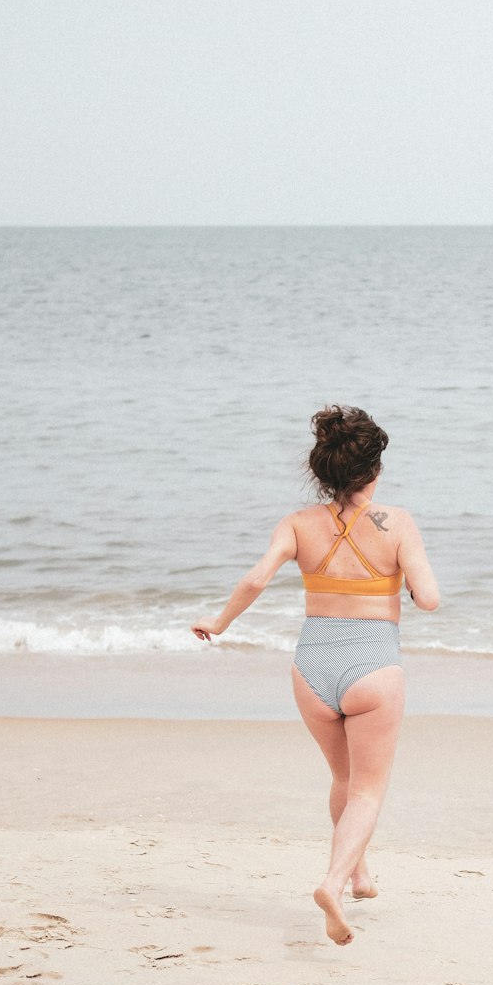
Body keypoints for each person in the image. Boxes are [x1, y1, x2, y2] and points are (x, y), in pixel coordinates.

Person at [191, 405, 440, 945]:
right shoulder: (397, 523)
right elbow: (430, 600)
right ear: (374, 470)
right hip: (373, 668)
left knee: (343, 781)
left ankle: (359, 873)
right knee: (369, 791)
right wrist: (409, 585)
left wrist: (219, 621)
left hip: (312, 669)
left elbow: (258, 579)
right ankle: (332, 881)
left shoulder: (298, 524)